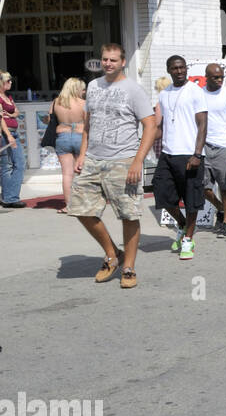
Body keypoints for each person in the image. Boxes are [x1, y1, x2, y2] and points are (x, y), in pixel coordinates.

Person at [69, 43, 157, 288]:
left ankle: (128, 267)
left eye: (113, 60)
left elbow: (150, 125)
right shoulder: (94, 87)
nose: (108, 64)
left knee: (128, 214)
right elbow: (88, 124)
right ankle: (112, 254)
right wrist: (82, 155)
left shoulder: (133, 90)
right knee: (80, 208)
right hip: (93, 160)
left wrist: (138, 160)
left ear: (123, 62)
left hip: (123, 160)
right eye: (105, 59)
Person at [154, 56, 209, 260]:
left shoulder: (196, 91)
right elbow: (160, 126)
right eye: (175, 68)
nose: (179, 71)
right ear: (169, 70)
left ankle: (188, 239)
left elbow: (203, 124)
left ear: (186, 69)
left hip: (190, 153)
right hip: (168, 153)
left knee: (191, 199)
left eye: (182, 67)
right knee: (163, 195)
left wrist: (197, 153)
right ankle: (184, 225)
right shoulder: (164, 94)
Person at [200, 63, 226, 239]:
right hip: (202, 146)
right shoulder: (199, 94)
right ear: (206, 77)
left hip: (224, 146)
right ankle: (219, 207)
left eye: (221, 77)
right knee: (203, 187)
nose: (219, 80)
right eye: (215, 77)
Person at [50, 77, 86, 213]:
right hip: (80, 136)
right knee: (80, 172)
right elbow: (90, 122)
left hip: (62, 137)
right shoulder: (84, 103)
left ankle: (68, 205)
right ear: (77, 89)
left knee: (67, 174)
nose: (84, 92)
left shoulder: (56, 102)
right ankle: (81, 204)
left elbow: (50, 119)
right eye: (82, 89)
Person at [0, 70, 26, 207]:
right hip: (6, 134)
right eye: (8, 80)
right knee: (10, 165)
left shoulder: (8, 96)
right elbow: (0, 119)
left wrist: (10, 115)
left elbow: (17, 111)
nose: (10, 82)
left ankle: (7, 196)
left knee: (14, 164)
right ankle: (10, 197)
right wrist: (9, 136)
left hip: (12, 132)